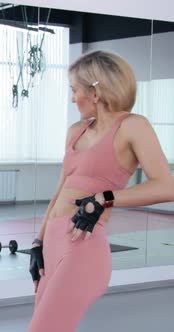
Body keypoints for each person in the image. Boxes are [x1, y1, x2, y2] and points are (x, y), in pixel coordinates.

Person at [27, 50, 174, 332]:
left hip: (82, 247)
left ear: (95, 92)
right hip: (54, 243)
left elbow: (166, 186)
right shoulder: (76, 131)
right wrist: (38, 242)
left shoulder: (133, 126)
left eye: (75, 90)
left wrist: (105, 198)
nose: (72, 98)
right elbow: (60, 192)